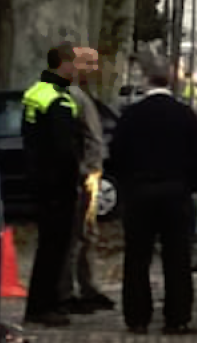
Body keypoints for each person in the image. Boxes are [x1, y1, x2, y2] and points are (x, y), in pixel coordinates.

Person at [110, 59, 197, 335]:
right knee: (177, 258)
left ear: (146, 82)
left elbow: (117, 155)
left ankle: (137, 317)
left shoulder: (131, 115)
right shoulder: (185, 115)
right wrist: (190, 186)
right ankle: (177, 317)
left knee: (137, 258)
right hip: (176, 193)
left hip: (139, 194)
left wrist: (128, 186)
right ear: (171, 82)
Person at [22, 42, 84, 327]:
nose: (77, 69)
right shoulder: (58, 100)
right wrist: (74, 177)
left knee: (48, 246)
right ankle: (43, 306)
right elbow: (64, 149)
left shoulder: (36, 93)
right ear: (63, 64)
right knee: (54, 247)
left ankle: (42, 302)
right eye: (74, 63)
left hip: (41, 180)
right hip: (57, 186)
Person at [59, 47, 116, 314]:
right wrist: (86, 169)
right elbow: (80, 136)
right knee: (77, 234)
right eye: (88, 63)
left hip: (89, 172)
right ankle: (68, 290)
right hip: (83, 174)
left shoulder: (81, 95)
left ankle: (86, 286)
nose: (94, 69)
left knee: (86, 233)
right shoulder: (72, 96)